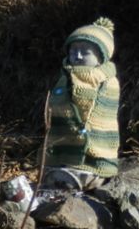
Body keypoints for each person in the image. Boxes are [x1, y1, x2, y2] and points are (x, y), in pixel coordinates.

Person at [42, 17, 120, 191]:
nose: (76, 56)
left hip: (96, 153)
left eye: (85, 52)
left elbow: (97, 115)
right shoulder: (64, 78)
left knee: (79, 180)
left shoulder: (106, 81)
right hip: (62, 150)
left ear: (101, 56)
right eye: (73, 51)